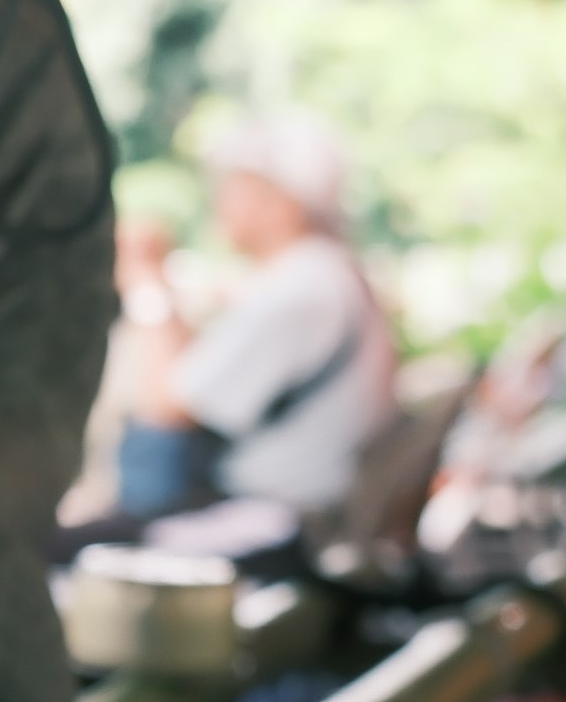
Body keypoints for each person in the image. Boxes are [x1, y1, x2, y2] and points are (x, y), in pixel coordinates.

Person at [107, 113, 398, 526]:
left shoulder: (302, 287)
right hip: (291, 508)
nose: (220, 200)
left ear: (282, 203)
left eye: (234, 187)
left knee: (64, 551)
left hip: (268, 516)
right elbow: (196, 372)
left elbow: (165, 407)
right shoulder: (323, 274)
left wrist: (144, 284)